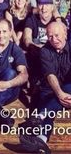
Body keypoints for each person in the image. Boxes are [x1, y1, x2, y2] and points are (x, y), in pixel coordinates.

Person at [19, 21, 70, 154]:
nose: (54, 39)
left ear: (65, 33)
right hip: (51, 87)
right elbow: (50, 75)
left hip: (70, 87)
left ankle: (39, 117)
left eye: (57, 35)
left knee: (46, 108)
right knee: (47, 106)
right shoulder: (45, 51)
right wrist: (59, 93)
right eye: (50, 36)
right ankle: (41, 141)